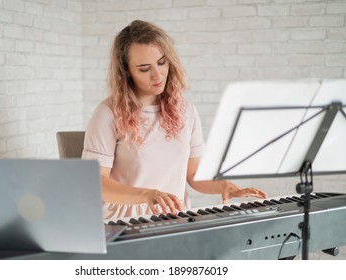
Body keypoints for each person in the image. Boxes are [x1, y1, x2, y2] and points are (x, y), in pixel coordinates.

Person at [82, 20, 267, 220]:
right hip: (123, 224)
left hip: (174, 219)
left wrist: (224, 186)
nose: (157, 74)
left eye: (162, 62)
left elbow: (193, 173)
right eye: (144, 69)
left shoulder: (186, 110)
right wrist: (147, 195)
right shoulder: (107, 113)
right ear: (126, 70)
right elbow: (96, 182)